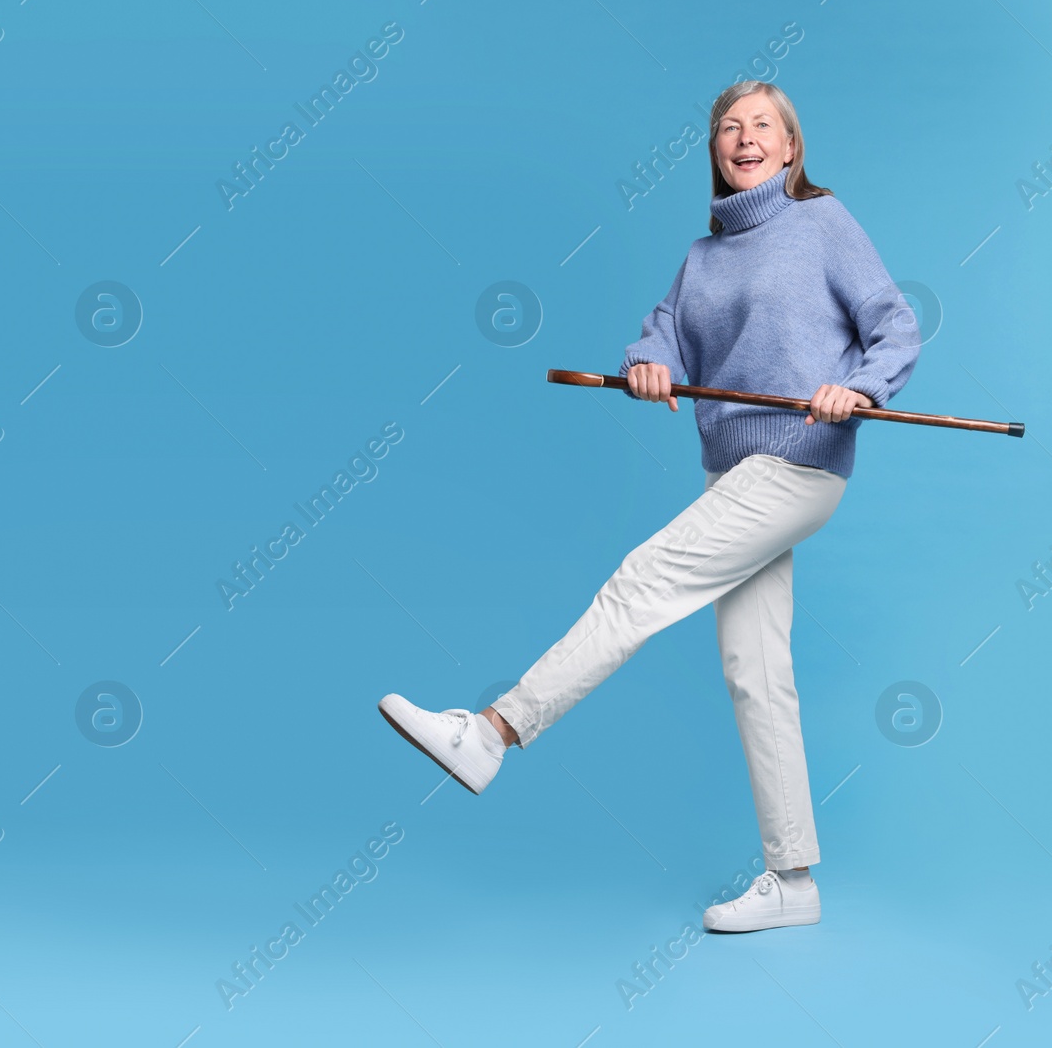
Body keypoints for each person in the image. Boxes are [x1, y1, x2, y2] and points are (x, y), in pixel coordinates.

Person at [379, 80, 920, 933]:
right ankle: (794, 880)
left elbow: (895, 326)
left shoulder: (823, 224)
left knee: (642, 583)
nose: (744, 138)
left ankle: (492, 731)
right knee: (756, 673)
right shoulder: (702, 258)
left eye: (762, 127)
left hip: (798, 463)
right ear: (715, 152)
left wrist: (857, 388)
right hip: (733, 476)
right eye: (728, 128)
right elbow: (663, 333)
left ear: (790, 148)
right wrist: (647, 364)